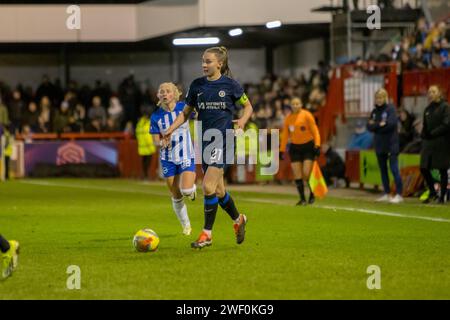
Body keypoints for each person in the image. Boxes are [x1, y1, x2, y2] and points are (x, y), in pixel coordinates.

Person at [162, 46, 252, 249]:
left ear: (219, 63)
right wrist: (170, 129)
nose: (204, 64)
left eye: (208, 61)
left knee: (208, 187)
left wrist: (243, 121)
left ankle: (207, 234)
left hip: (224, 140)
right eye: (203, 61)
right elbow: (185, 112)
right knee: (219, 192)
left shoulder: (230, 85)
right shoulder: (197, 85)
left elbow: (248, 106)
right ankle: (239, 220)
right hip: (205, 141)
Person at [150, 82, 196, 236]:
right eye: (161, 91)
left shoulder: (184, 108)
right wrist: (161, 142)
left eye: (167, 91)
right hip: (167, 158)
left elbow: (199, 114)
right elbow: (155, 140)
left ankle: (192, 190)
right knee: (176, 195)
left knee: (187, 190)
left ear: (174, 94)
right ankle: (186, 225)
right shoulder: (156, 116)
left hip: (186, 154)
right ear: (158, 95)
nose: (164, 93)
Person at [280, 97, 321, 206]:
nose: (295, 106)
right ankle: (302, 199)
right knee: (297, 174)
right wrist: (281, 150)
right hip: (295, 148)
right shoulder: (288, 118)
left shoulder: (307, 115)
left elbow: (315, 130)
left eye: (297, 103)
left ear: (301, 104)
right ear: (291, 106)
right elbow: (285, 135)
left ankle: (312, 193)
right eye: (293, 104)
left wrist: (317, 145)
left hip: (308, 146)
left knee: (306, 173)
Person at [367, 88, 404, 203]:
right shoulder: (374, 111)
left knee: (394, 169)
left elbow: (391, 125)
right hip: (379, 145)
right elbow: (369, 126)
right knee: (383, 170)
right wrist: (380, 125)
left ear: (385, 98)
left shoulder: (390, 109)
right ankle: (387, 193)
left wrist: (376, 126)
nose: (379, 100)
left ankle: (399, 194)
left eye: (381, 97)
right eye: (377, 97)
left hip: (391, 145)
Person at [419, 85, 450, 204]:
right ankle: (432, 192)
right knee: (423, 168)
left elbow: (447, 124)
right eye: (429, 92)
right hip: (429, 143)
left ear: (439, 93)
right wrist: (423, 134)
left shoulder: (445, 107)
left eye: (433, 91)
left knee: (442, 170)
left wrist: (433, 133)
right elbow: (425, 127)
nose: (431, 93)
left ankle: (442, 197)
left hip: (442, 142)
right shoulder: (427, 109)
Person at [136, 106, 156, 180]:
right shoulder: (144, 122)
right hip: (146, 145)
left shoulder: (143, 122)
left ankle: (146, 175)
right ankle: (145, 175)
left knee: (146, 161)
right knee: (146, 161)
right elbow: (142, 133)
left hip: (146, 145)